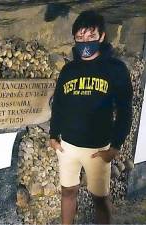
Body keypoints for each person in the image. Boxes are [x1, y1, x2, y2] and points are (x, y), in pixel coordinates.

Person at [49, 10, 133, 224]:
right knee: (67, 192)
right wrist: (53, 135)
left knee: (100, 200)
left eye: (90, 36)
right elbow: (58, 103)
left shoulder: (116, 69)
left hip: (98, 149)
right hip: (67, 146)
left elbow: (125, 109)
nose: (85, 42)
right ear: (75, 39)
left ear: (102, 36)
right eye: (80, 37)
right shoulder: (68, 70)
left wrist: (114, 147)